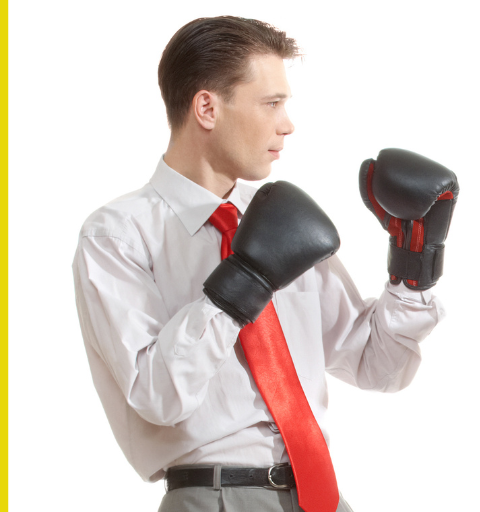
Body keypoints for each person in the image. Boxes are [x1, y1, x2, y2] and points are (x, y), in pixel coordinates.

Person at [72, 16, 457, 512]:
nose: (287, 124)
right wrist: (243, 281)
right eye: (271, 103)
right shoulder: (117, 234)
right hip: (216, 497)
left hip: (322, 495)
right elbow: (157, 397)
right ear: (207, 108)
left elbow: (375, 367)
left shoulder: (279, 219)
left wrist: (412, 267)